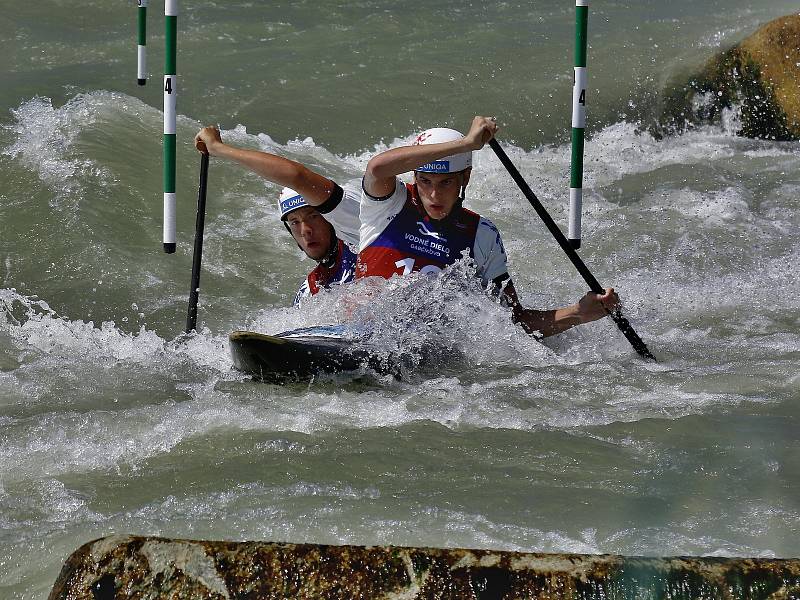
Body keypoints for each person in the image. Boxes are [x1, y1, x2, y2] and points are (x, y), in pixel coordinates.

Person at [358, 116, 620, 338]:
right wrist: (466, 144)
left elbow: (512, 322)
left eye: (446, 183)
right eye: (426, 182)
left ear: (466, 177)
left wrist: (577, 313)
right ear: (414, 175)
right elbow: (377, 168)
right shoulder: (390, 204)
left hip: (421, 345)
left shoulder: (481, 234)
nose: (434, 196)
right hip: (361, 329)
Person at [194, 126, 359, 305]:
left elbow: (298, 176)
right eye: (295, 222)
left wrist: (218, 148)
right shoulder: (309, 291)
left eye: (313, 216)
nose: (305, 231)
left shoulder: (359, 236)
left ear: (330, 218)